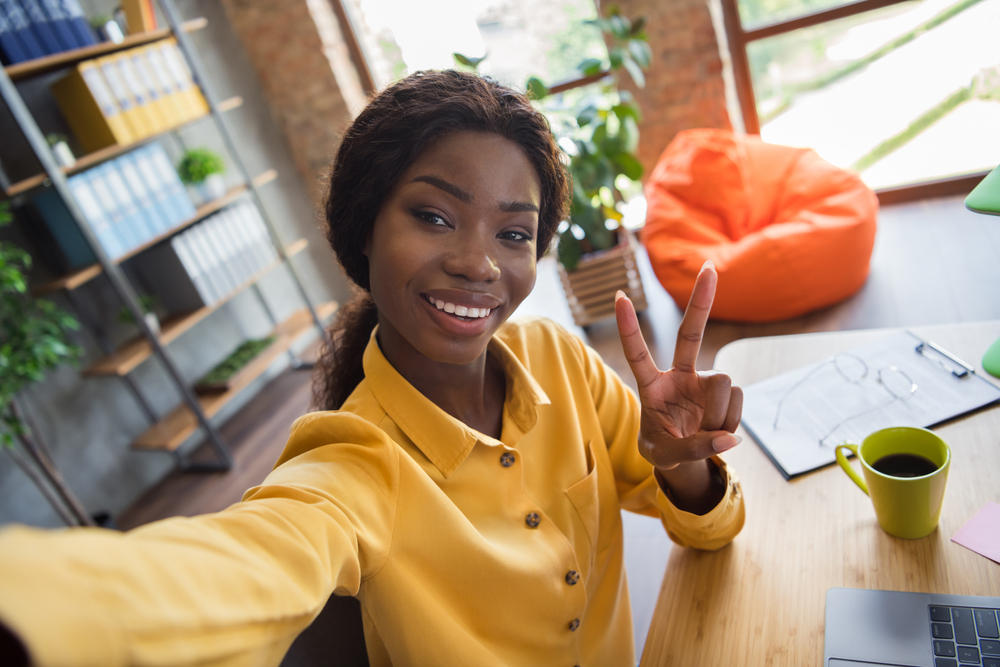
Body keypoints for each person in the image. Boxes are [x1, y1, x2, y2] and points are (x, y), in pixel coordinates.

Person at [0, 70, 744, 666]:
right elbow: (249, 563)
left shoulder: (559, 357)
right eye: (433, 216)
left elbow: (711, 531)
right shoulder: (354, 458)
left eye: (513, 232)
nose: (478, 263)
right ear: (365, 227)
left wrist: (684, 464)